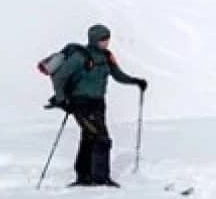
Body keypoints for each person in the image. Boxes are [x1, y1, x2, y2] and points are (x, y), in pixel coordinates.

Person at [46, 24, 147, 187]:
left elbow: (117, 74)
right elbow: (59, 77)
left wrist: (135, 81)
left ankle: (84, 176)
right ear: (94, 39)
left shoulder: (107, 56)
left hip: (98, 103)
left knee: (89, 137)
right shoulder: (80, 57)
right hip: (81, 103)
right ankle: (100, 178)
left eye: (107, 39)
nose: (106, 42)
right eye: (103, 39)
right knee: (102, 138)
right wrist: (62, 99)